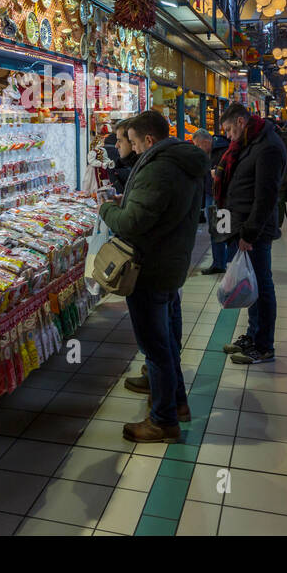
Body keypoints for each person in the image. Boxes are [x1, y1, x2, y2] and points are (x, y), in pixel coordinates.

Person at [98, 111, 208, 443]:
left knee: (156, 345)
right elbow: (155, 211)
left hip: (150, 267)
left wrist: (107, 208)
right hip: (169, 263)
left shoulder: (159, 168)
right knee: (167, 338)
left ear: (148, 140)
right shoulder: (182, 161)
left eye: (130, 141)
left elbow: (132, 223)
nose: (127, 146)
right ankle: (177, 404)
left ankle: (163, 420)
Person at [214, 102, 287, 365]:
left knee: (262, 287)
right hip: (240, 225)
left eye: (230, 130)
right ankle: (253, 334)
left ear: (242, 122)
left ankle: (264, 346)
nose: (228, 136)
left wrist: (249, 233)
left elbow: (266, 197)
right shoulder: (250, 143)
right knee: (251, 285)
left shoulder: (268, 147)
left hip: (253, 230)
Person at [193, 129, 231, 275]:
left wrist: (217, 174)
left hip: (221, 196)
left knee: (221, 230)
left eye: (198, 145)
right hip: (211, 194)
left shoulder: (222, 151)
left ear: (206, 142)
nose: (197, 148)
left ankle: (224, 262)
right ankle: (219, 262)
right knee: (215, 230)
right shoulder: (209, 152)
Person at [109, 119, 137, 194]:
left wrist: (107, 205)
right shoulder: (125, 167)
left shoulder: (137, 171)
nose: (116, 146)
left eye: (120, 141)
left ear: (132, 141)